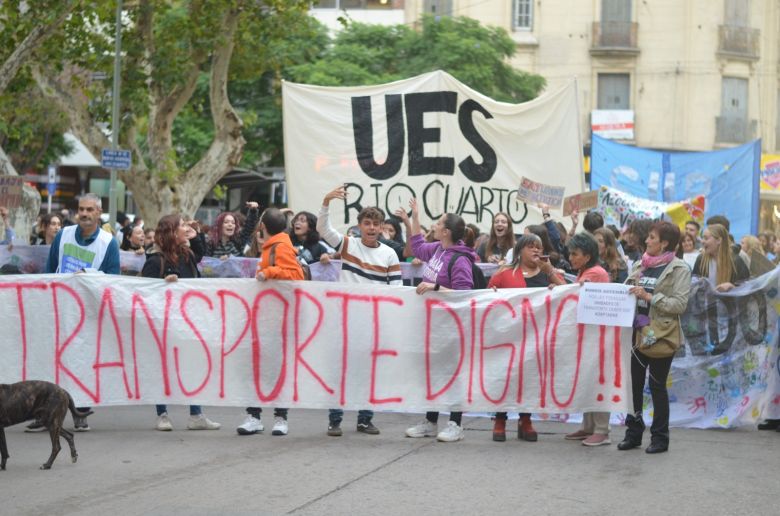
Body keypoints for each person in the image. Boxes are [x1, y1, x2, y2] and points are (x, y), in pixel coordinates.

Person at [317, 185, 402, 437]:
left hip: (372, 325)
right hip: (343, 322)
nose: (372, 228)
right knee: (339, 370)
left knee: (367, 372)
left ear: (382, 226)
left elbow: (395, 290)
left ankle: (365, 419)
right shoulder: (347, 245)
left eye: (376, 224)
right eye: (367, 223)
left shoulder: (390, 254)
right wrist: (326, 201)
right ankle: (335, 420)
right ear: (359, 225)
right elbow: (323, 230)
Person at [33, 193, 120, 432]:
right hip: (60, 308)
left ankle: (80, 411)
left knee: (82, 361)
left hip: (88, 313)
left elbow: (113, 279)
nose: (84, 213)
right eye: (81, 209)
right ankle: (44, 413)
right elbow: (50, 269)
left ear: (98, 212)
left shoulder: (107, 242)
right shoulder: (63, 236)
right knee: (52, 361)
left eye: (90, 209)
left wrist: (88, 276)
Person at [397, 199, 477, 442]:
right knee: (432, 374)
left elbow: (465, 295)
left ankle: (455, 423)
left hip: (452, 328)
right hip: (432, 326)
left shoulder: (460, 260)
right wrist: (413, 217)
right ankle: (431, 421)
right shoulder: (438, 250)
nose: (435, 224)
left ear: (446, 232)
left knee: (453, 375)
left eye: (439, 222)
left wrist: (436, 286)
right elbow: (417, 246)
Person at [142, 215, 221, 431]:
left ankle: (196, 415)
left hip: (190, 324)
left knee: (193, 367)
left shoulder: (187, 255)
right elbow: (144, 295)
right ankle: (162, 415)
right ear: (171, 232)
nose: (186, 228)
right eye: (182, 226)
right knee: (163, 370)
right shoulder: (155, 261)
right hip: (164, 327)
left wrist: (197, 236)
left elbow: (200, 255)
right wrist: (163, 286)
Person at [619, 221, 691, 454]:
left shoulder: (679, 269)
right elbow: (626, 290)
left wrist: (650, 297)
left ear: (664, 243)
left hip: (660, 334)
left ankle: (660, 438)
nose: (647, 241)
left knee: (657, 386)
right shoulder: (641, 264)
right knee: (634, 386)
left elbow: (679, 305)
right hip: (636, 334)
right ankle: (633, 433)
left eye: (652, 237)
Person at [488, 234, 564, 442]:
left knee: (530, 379)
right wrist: (493, 294)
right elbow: (486, 300)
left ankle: (525, 419)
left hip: (536, 338)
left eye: (539, 247)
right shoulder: (504, 274)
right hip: (509, 337)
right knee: (505, 378)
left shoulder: (546, 274)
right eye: (531, 247)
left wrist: (552, 274)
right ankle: (500, 419)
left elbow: (568, 294)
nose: (536, 251)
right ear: (519, 251)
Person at [236, 208, 304, 437]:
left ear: (263, 226)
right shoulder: (271, 244)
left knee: (276, 368)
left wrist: (270, 272)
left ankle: (280, 417)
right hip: (265, 316)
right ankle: (254, 416)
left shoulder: (281, 246)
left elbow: (296, 276)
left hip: (279, 318)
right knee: (257, 368)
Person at [562, 232, 612, 446]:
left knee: (598, 382)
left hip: (597, 337)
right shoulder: (587, 272)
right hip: (587, 336)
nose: (571, 258)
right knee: (588, 381)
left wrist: (554, 278)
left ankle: (602, 430)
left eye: (575, 254)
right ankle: (589, 426)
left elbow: (575, 298)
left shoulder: (596, 274)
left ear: (588, 255)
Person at [692, 224, 749, 292]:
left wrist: (732, 287)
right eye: (702, 238)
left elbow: (746, 290)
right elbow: (693, 285)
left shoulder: (736, 262)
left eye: (706, 238)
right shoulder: (701, 259)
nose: (702, 241)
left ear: (719, 240)